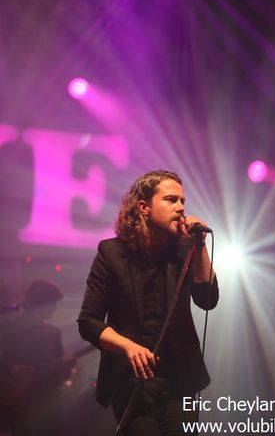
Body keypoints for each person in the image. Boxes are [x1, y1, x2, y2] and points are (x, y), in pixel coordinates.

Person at [78, 170, 219, 435]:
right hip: (131, 383)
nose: (180, 208)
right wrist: (128, 346)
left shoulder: (184, 250)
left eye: (182, 201)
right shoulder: (111, 253)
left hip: (179, 382)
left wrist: (199, 245)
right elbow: (88, 322)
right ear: (144, 207)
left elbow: (208, 299)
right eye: (170, 200)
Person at [0, 279, 75, 436]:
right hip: (26, 408)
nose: (54, 309)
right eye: (52, 304)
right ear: (42, 303)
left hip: (45, 407)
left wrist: (66, 368)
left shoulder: (52, 332)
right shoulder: (8, 331)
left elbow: (57, 374)